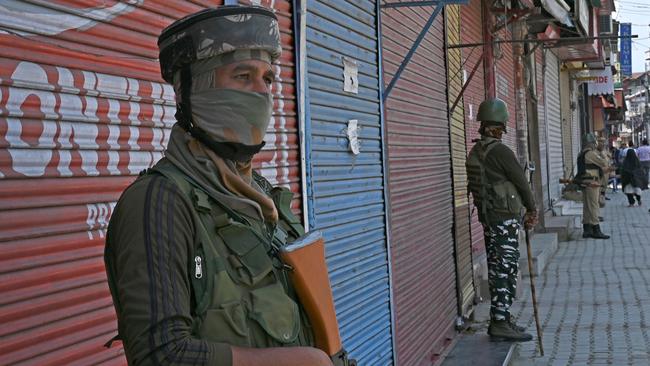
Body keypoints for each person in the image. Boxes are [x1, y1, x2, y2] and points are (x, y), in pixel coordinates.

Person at [104, 6, 335, 366]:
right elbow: (160, 355)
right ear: (190, 91)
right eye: (243, 76)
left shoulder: (260, 197)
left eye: (268, 79)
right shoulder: (158, 203)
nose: (262, 94)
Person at [466, 98, 538, 342]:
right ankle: (499, 322)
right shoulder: (501, 151)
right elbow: (521, 183)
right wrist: (532, 209)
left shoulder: (476, 150)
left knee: (499, 267)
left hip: (489, 217)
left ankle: (503, 318)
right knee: (504, 269)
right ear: (500, 126)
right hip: (504, 219)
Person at [576, 133, 611, 239]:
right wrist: (603, 153)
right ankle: (596, 230)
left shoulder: (581, 153)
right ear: (591, 143)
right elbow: (604, 163)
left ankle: (587, 230)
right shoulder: (590, 153)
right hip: (592, 182)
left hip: (586, 182)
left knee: (587, 206)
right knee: (594, 205)